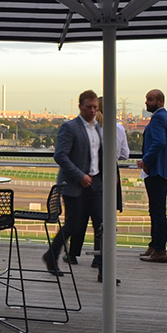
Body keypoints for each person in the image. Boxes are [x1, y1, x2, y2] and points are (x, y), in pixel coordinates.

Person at [42, 90, 103, 274]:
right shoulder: (69, 127)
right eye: (88, 107)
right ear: (80, 107)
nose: (92, 111)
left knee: (102, 225)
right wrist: (80, 176)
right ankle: (52, 255)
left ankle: (104, 271)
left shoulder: (98, 127)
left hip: (96, 184)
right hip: (75, 185)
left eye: (95, 107)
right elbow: (60, 155)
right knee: (73, 226)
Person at [92, 97, 130, 280]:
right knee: (107, 220)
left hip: (93, 175)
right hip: (111, 172)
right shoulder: (119, 128)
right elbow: (125, 154)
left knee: (97, 217)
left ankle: (97, 259)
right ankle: (103, 263)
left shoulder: (90, 128)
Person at [138, 89, 167, 264]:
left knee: (157, 212)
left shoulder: (158, 118)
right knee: (156, 210)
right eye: (147, 99)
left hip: (157, 171)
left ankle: (159, 249)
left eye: (150, 99)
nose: (146, 103)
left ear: (160, 102)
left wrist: (145, 160)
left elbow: (159, 142)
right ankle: (154, 246)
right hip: (164, 171)